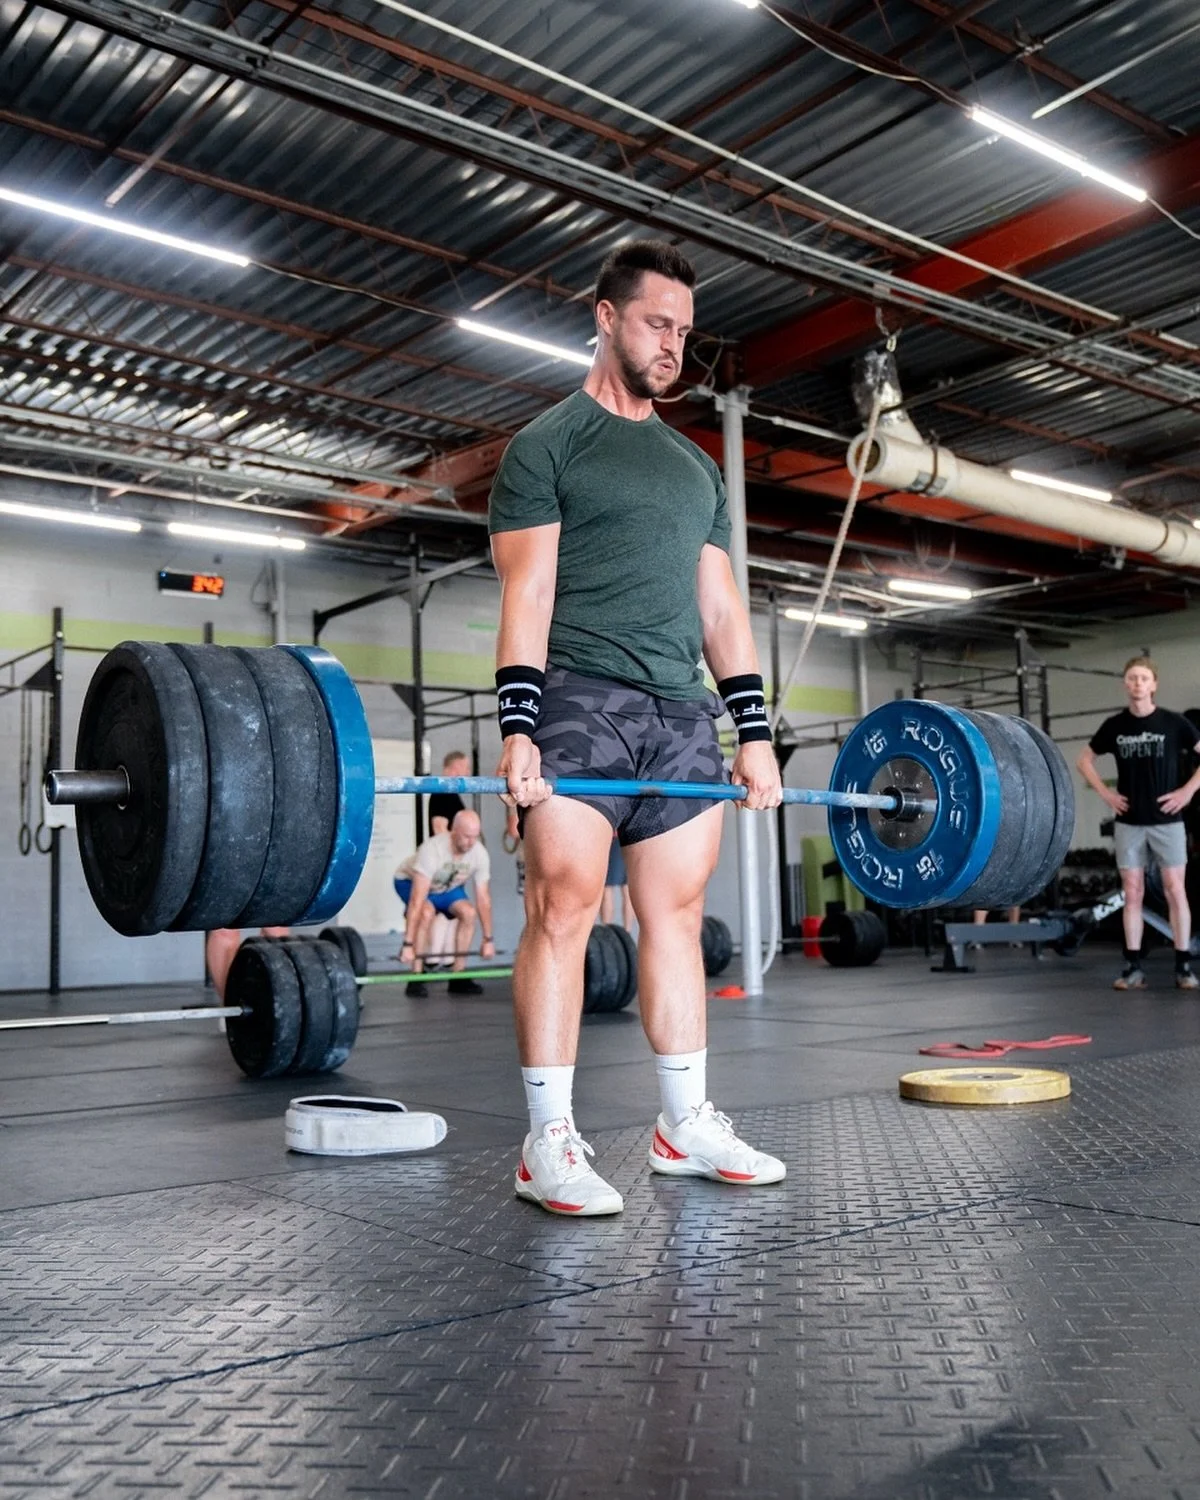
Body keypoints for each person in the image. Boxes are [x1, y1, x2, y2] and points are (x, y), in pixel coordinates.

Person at [489, 238, 786, 1218]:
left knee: (677, 918)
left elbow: (722, 612)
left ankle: (683, 1122)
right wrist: (519, 725)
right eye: (658, 324)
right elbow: (527, 590)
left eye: (686, 332)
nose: (674, 346)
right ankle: (549, 1140)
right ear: (606, 316)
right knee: (563, 909)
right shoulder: (547, 445)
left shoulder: (695, 470)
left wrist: (752, 732)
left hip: (679, 720)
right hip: (576, 699)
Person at [1076, 656, 1200, 991]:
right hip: (1129, 821)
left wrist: (1188, 792)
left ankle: (1183, 966)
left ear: (1153, 684)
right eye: (1132, 678)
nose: (1138, 684)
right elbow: (1084, 760)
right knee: (1132, 893)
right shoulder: (1115, 726)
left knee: (1176, 890)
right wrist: (1107, 795)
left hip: (1168, 821)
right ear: (1125, 684)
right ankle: (1132, 967)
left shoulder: (1174, 724)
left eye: (1144, 678)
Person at [394, 810, 495, 997]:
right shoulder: (433, 850)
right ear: (454, 831)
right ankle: (416, 975)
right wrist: (407, 944)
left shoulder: (479, 853)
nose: (471, 842)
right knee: (425, 912)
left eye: (475, 837)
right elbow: (417, 900)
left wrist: (488, 939)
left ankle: (458, 975)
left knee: (469, 913)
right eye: (466, 836)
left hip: (446, 887)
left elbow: (483, 899)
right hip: (411, 882)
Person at [599, 834, 636, 934]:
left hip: (614, 839)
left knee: (607, 888)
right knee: (627, 889)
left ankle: (606, 933)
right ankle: (627, 933)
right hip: (631, 838)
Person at [429, 750, 471, 835]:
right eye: (466, 767)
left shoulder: (449, 792)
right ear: (457, 766)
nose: (468, 772)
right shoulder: (443, 792)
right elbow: (439, 829)